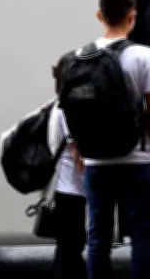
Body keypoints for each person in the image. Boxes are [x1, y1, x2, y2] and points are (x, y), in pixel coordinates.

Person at [78, 0, 150, 279]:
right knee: (142, 235)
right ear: (133, 17)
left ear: (99, 15)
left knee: (98, 237)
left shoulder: (81, 56)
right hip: (137, 160)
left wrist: (81, 150)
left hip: (96, 161)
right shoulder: (144, 56)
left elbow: (74, 111)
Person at [50, 52, 86, 279]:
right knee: (70, 245)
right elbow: (77, 154)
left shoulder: (58, 104)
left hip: (66, 186)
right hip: (71, 187)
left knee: (69, 244)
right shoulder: (67, 107)